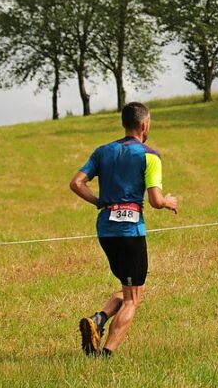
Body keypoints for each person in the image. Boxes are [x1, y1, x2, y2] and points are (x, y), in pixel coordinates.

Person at [70, 102, 179, 357]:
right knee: (133, 299)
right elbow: (155, 200)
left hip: (105, 231)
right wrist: (168, 202)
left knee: (129, 287)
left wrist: (99, 201)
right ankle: (104, 355)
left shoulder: (102, 151)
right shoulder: (150, 155)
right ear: (144, 125)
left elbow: (76, 183)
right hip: (130, 231)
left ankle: (99, 319)